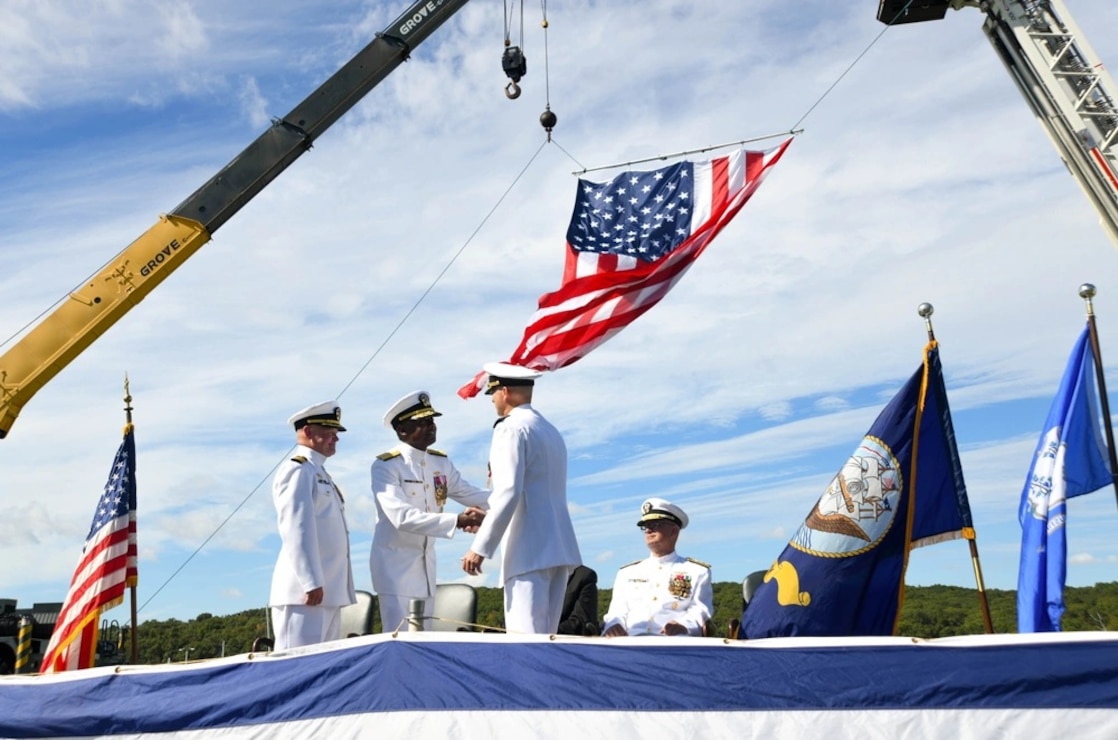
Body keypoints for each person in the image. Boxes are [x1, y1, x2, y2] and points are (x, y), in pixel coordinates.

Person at [461, 362, 582, 634]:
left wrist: (480, 548)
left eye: (492, 393)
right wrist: (489, 517)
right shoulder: (549, 429)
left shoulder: (510, 429)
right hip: (558, 548)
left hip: (527, 550)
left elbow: (508, 491)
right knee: (546, 639)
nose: (492, 400)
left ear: (504, 391)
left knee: (524, 641)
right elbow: (534, 491)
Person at [370, 390, 489, 632]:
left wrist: (515, 499)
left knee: (424, 642)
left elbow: (472, 494)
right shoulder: (387, 466)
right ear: (402, 430)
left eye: (432, 421)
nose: (431, 426)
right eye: (422, 422)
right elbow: (401, 517)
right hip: (395, 571)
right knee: (401, 641)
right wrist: (457, 520)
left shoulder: (440, 463)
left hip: (426, 569)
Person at [269, 401, 356, 650]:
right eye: (329, 431)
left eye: (336, 432)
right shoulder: (297, 470)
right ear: (308, 432)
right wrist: (310, 581)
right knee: (294, 669)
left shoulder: (320, 473)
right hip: (304, 593)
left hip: (327, 591)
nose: (335, 438)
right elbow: (296, 528)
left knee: (321, 670)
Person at [602, 498, 713, 637]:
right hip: (630, 643)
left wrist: (683, 625)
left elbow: (700, 610)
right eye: (645, 526)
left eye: (656, 524)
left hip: (672, 644)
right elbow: (617, 611)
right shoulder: (627, 573)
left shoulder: (697, 571)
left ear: (673, 531)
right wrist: (614, 625)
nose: (648, 530)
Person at [557, 565, 599, 636]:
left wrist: (542, 633)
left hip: (563, 643)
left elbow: (580, 623)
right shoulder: (533, 576)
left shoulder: (583, 576)